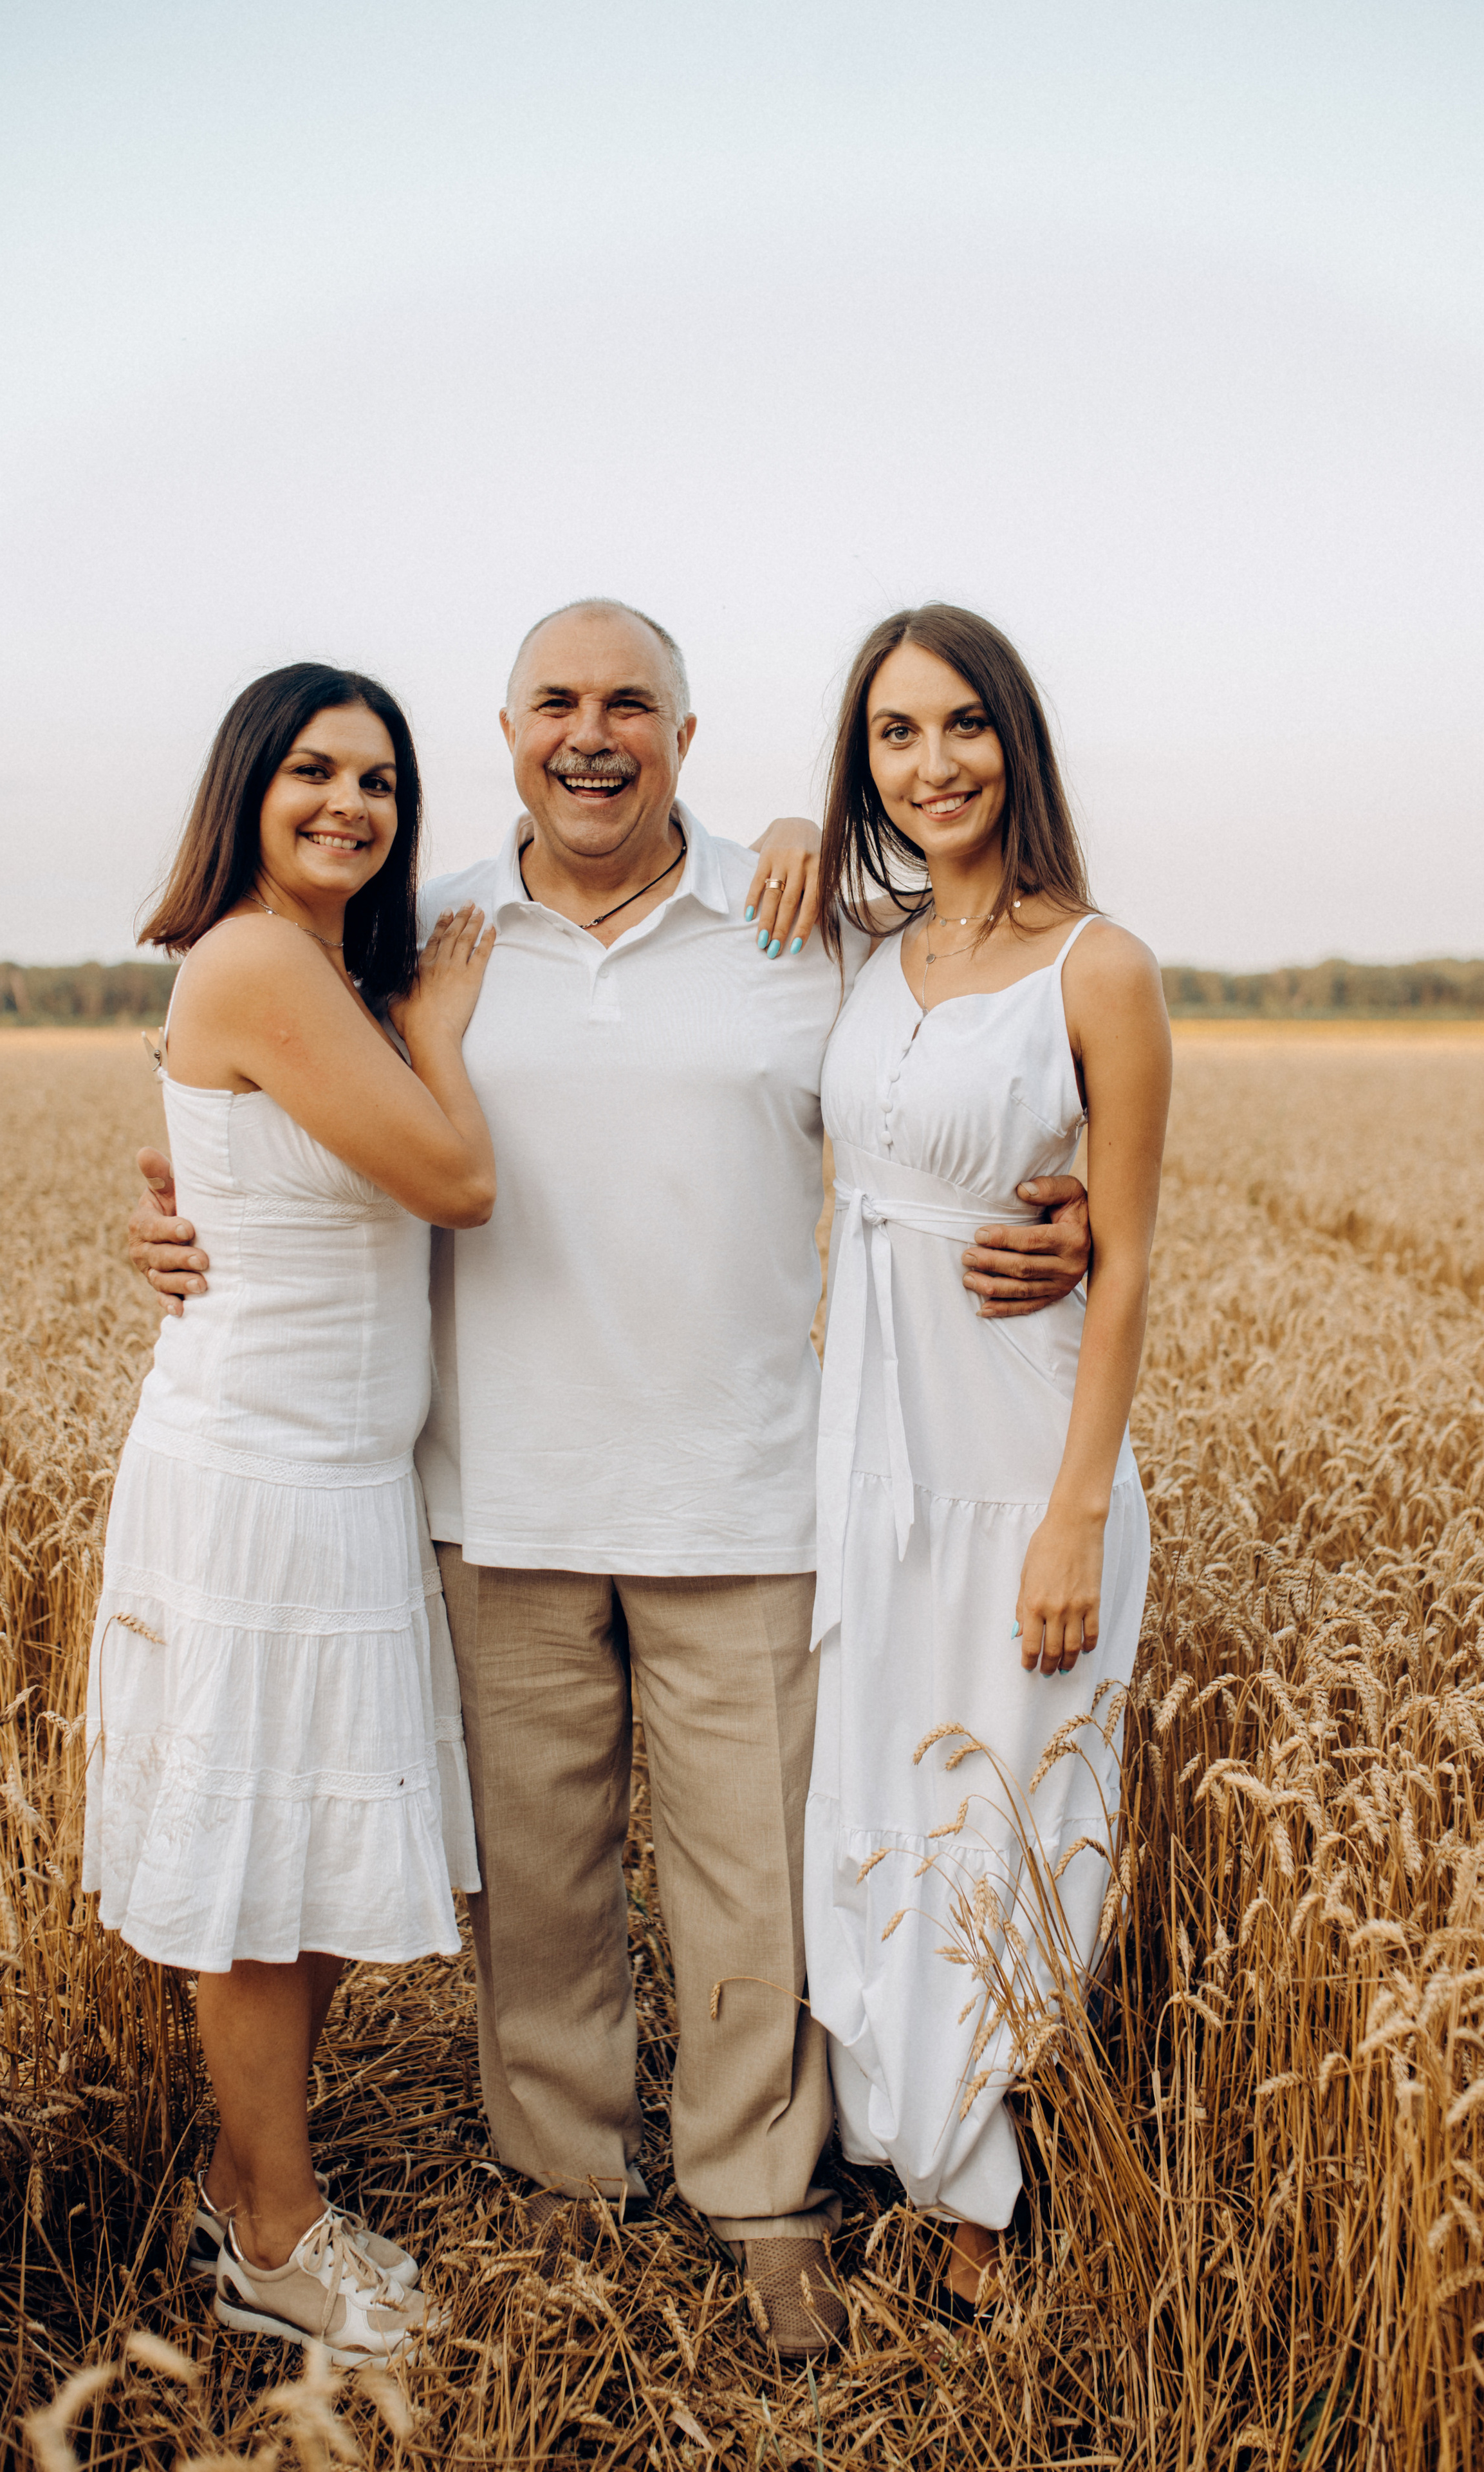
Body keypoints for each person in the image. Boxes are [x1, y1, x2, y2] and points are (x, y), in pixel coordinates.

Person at [129, 602, 1093, 2357]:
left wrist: (1076, 1208)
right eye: (556, 703)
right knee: (543, 1894)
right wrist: (168, 1215)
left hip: (746, 1487)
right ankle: (563, 2191)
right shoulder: (417, 940)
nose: (593, 733)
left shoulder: (803, 922)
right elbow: (245, 1108)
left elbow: (971, 1071)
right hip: (491, 1487)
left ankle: (758, 2197)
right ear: (501, 735)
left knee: (751, 1885)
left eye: (629, 703)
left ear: (687, 736)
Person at [86, 662, 496, 2365]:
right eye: (316, 771)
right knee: (266, 1882)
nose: (352, 804)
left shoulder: (310, 962)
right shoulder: (265, 957)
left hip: (328, 1476)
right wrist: (445, 1043)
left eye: (382, 781)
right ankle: (268, 2232)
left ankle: (248, 2180)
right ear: (249, 786)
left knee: (304, 1866)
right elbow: (458, 1180)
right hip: (261, 1478)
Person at [804, 604, 1171, 2327]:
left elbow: (1134, 1256)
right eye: (894, 735)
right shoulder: (859, 945)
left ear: (1015, 740)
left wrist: (1074, 1517)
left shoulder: (1098, 963)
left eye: (960, 726)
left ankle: (985, 2217)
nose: (930, 763)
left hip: (1015, 1464)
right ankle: (910, 2144)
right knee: (881, 1794)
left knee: (1007, 1817)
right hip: (866, 1462)